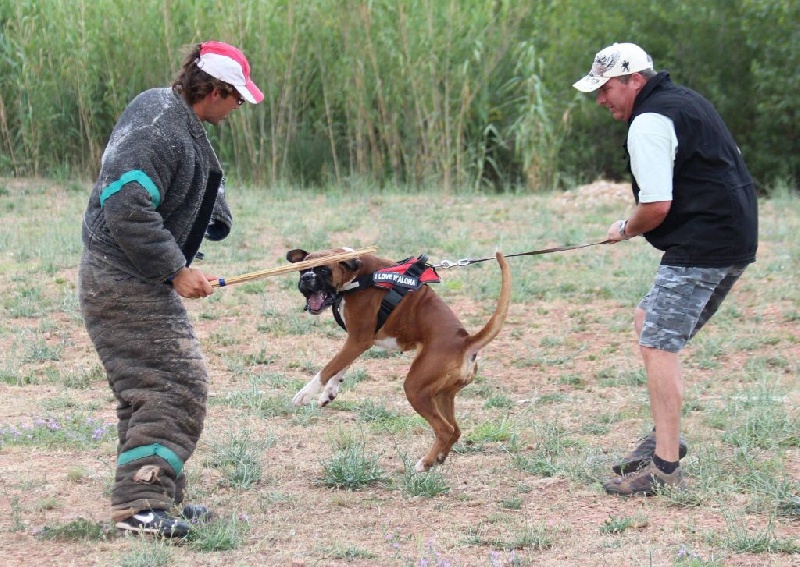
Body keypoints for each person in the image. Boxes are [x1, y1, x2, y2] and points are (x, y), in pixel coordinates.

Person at [78, 41, 263, 535]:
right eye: (237, 99)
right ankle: (138, 505)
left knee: (154, 387)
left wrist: (183, 255)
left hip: (132, 276)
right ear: (217, 91)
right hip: (121, 280)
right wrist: (175, 270)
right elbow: (126, 203)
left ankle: (157, 495)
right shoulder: (160, 128)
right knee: (172, 386)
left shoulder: (168, 111)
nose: (238, 108)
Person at [573, 43, 758, 496]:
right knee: (647, 322)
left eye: (607, 88)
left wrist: (626, 227)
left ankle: (665, 468)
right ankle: (663, 434)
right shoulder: (686, 102)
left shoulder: (650, 122)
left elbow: (656, 205)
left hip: (705, 242)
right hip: (732, 235)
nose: (601, 99)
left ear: (635, 80)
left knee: (658, 343)